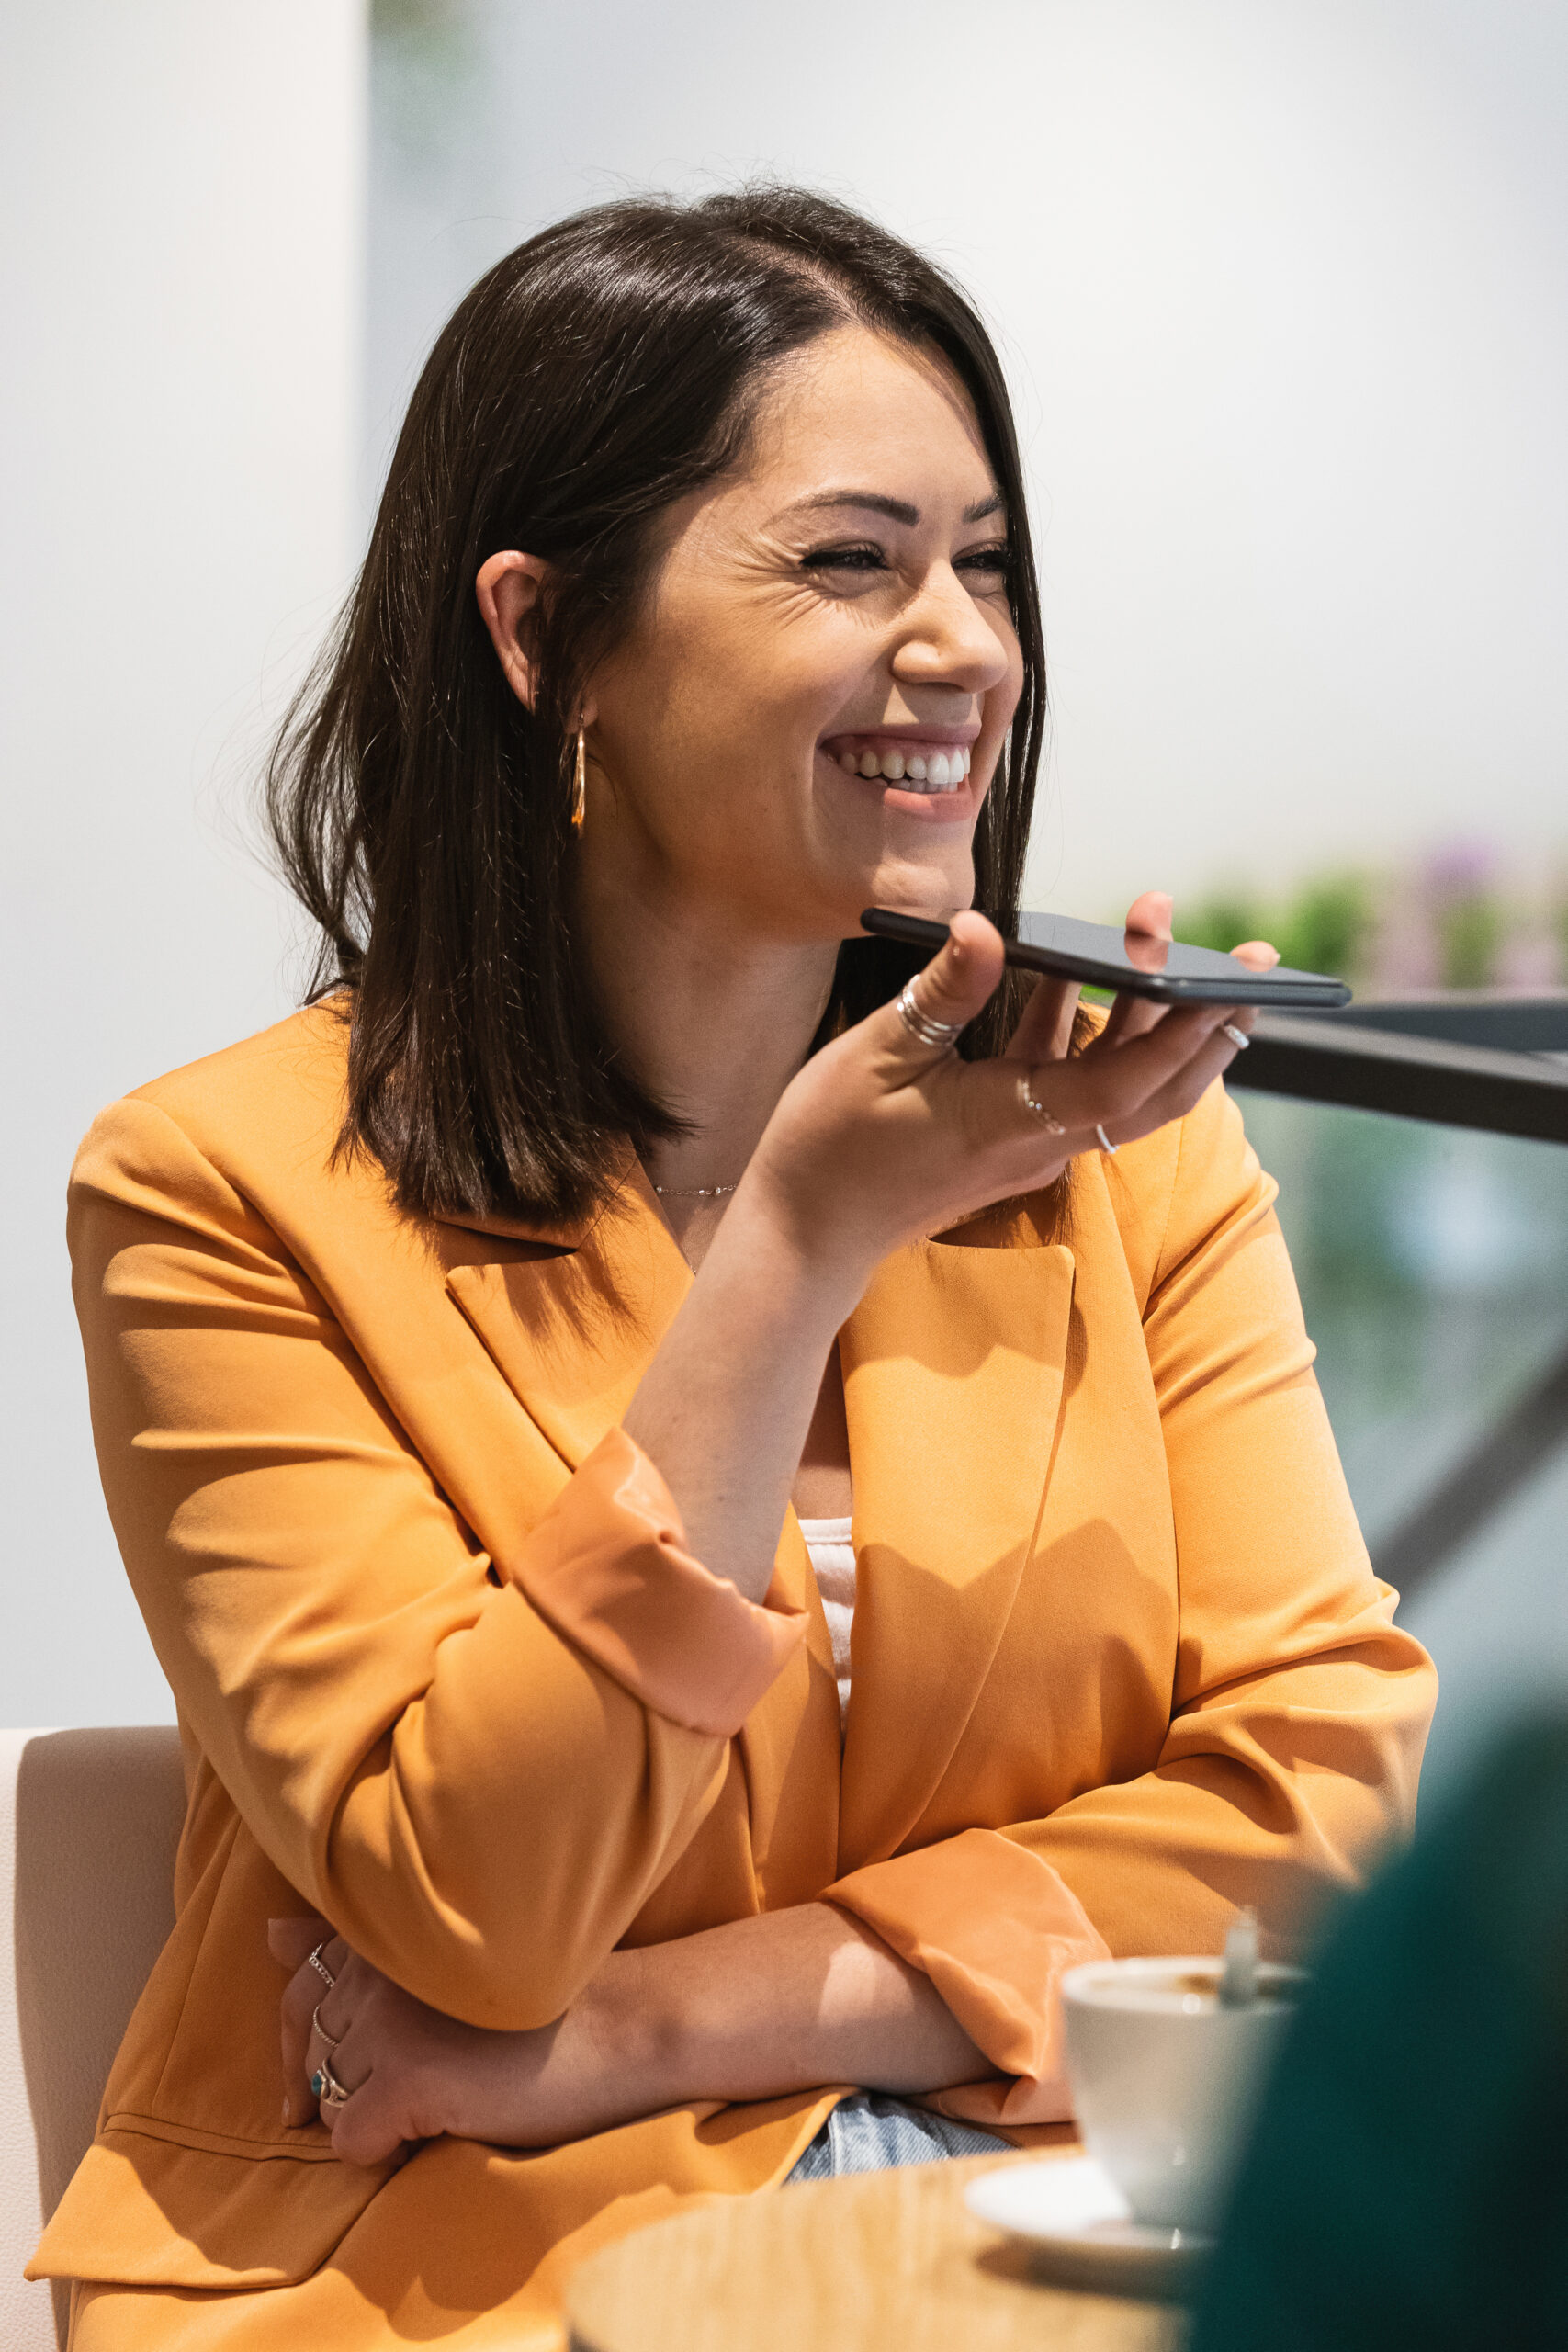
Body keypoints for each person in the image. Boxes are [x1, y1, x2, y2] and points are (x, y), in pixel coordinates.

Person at [31, 187, 1436, 2351]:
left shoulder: (1122, 1152)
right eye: (851, 559)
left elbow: (1313, 1802)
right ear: (538, 632)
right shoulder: (220, 1190)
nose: (959, 641)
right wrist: (792, 1245)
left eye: (981, 561)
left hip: (1012, 2232)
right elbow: (475, 1908)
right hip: (451, 2273)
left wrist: (639, 2032)